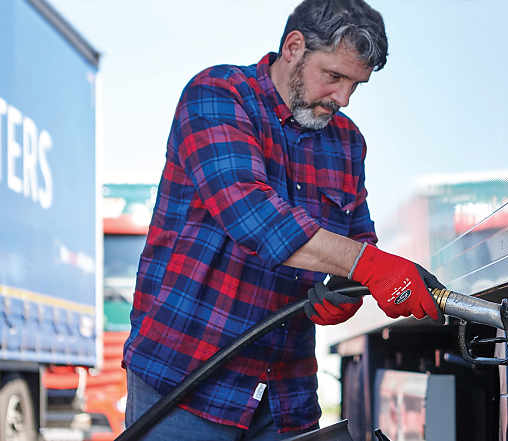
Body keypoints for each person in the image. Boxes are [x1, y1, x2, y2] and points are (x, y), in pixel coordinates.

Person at [122, 1, 445, 439]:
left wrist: (345, 293)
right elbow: (251, 214)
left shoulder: (347, 143)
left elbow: (357, 237)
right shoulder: (217, 95)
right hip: (185, 380)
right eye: (333, 77)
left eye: (356, 85)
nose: (344, 98)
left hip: (284, 395)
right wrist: (368, 267)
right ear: (293, 47)